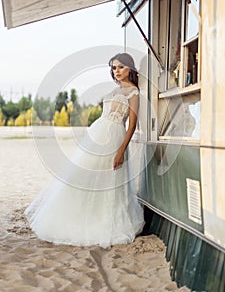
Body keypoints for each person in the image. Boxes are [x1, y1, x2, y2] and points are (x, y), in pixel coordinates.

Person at [25, 53, 145, 248]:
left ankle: (105, 222)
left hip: (114, 138)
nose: (117, 71)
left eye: (121, 67)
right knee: (82, 176)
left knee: (109, 181)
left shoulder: (133, 93)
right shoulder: (115, 91)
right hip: (97, 135)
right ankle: (77, 218)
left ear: (130, 69)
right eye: (114, 68)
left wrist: (121, 150)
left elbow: (132, 125)